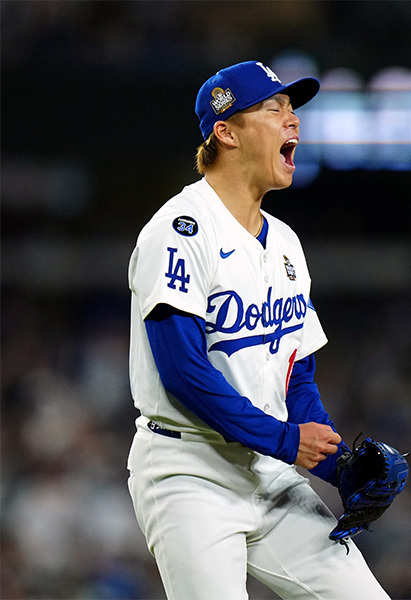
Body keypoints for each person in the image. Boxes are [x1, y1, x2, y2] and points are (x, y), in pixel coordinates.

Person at [126, 60, 390, 599]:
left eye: (294, 111)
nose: (293, 122)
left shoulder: (286, 243)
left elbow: (296, 376)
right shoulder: (180, 231)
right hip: (188, 472)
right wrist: (287, 441)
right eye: (275, 110)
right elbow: (183, 372)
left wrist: (338, 465)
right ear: (225, 131)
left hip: (268, 470)